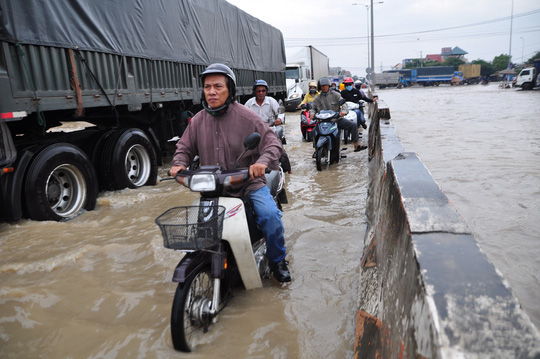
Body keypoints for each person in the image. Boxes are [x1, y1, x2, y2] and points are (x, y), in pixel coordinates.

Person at [170, 63, 291, 283]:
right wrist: (179, 164)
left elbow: (273, 143)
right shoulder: (197, 121)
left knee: (270, 216)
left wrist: (261, 162)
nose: (212, 91)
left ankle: (277, 261)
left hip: (248, 184)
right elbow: (184, 148)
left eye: (218, 86)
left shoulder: (247, 117)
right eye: (207, 87)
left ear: (230, 90)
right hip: (213, 188)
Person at [245, 79, 292, 174]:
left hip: (270, 131)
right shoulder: (249, 103)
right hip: (254, 134)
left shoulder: (271, 101)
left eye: (263, 91)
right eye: (258, 91)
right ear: (255, 92)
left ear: (266, 91)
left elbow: (280, 113)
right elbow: (243, 117)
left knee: (280, 150)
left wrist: (279, 119)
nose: (261, 93)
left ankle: (289, 171)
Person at [310, 77, 366, 152]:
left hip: (336, 120)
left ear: (328, 86)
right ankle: (316, 150)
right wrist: (312, 114)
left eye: (325, 85)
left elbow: (344, 104)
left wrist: (344, 112)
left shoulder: (336, 95)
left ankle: (356, 145)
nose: (324, 87)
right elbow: (312, 109)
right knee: (314, 131)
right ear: (320, 87)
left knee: (353, 125)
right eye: (322, 86)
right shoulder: (317, 99)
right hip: (322, 122)